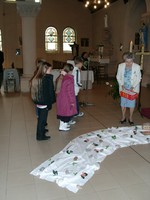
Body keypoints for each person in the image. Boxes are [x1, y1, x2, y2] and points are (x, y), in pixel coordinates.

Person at [31, 61, 56, 140]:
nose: (51, 71)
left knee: (42, 119)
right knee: (42, 120)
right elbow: (49, 93)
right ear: (45, 70)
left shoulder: (38, 77)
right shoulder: (46, 79)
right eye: (50, 70)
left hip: (39, 102)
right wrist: (50, 103)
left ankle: (42, 130)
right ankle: (40, 136)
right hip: (44, 102)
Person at [116, 52, 141, 125]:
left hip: (133, 88)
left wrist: (133, 86)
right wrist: (122, 84)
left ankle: (130, 118)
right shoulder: (121, 66)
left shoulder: (137, 67)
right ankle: (123, 117)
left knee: (131, 104)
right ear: (124, 60)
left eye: (130, 61)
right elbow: (118, 76)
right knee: (123, 103)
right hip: (123, 87)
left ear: (133, 60)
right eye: (127, 61)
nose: (129, 63)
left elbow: (139, 78)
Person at [56, 63, 77, 131]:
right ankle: (63, 126)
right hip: (67, 99)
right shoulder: (69, 79)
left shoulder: (63, 77)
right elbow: (70, 92)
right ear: (70, 71)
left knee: (63, 113)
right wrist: (72, 101)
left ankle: (62, 125)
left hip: (62, 98)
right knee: (67, 114)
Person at [69, 56, 84, 124]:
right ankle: (71, 117)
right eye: (82, 64)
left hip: (73, 89)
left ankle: (76, 113)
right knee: (73, 103)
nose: (82, 65)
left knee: (75, 101)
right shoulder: (77, 71)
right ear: (79, 63)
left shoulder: (73, 69)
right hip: (74, 89)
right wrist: (81, 86)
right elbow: (77, 81)